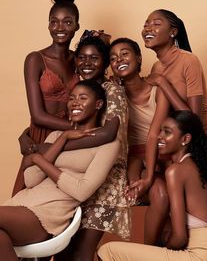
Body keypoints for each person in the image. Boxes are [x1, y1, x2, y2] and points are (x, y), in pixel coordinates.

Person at [0, 80, 121, 261]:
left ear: (98, 104)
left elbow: (81, 191)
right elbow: (32, 180)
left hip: (45, 216)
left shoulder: (109, 145)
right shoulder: (56, 136)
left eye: (82, 97)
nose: (75, 102)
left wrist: (38, 158)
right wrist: (63, 138)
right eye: (72, 98)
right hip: (18, 207)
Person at [142, 9, 207, 232]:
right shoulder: (157, 67)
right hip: (183, 148)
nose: (148, 28)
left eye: (156, 24)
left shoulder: (189, 60)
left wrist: (163, 83)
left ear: (173, 31)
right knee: (200, 224)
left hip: (206, 143)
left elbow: (194, 119)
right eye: (146, 24)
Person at [98, 110, 207, 261]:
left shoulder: (175, 171)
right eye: (160, 130)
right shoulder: (197, 167)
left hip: (202, 255)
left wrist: (161, 250)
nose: (159, 136)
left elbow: (180, 238)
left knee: (107, 251)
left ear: (185, 139)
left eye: (167, 132)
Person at [54, 34, 130, 261]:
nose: (87, 63)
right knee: (63, 249)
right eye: (82, 58)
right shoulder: (78, 92)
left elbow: (108, 134)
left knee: (83, 252)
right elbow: (63, 123)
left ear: (106, 63)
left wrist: (57, 147)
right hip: (79, 174)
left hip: (106, 178)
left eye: (94, 58)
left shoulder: (112, 91)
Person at [13, 0, 80, 195]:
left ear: (77, 26)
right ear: (48, 25)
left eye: (67, 22)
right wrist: (76, 129)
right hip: (44, 136)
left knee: (67, 198)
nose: (60, 28)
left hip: (71, 140)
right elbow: (38, 114)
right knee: (29, 197)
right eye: (54, 22)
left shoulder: (80, 60)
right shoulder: (35, 59)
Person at [109, 37, 170, 244]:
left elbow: (154, 134)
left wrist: (150, 175)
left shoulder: (158, 90)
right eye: (113, 58)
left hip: (163, 155)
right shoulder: (114, 96)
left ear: (139, 57)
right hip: (136, 161)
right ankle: (148, 252)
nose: (119, 59)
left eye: (125, 53)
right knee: (160, 195)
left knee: (175, 192)